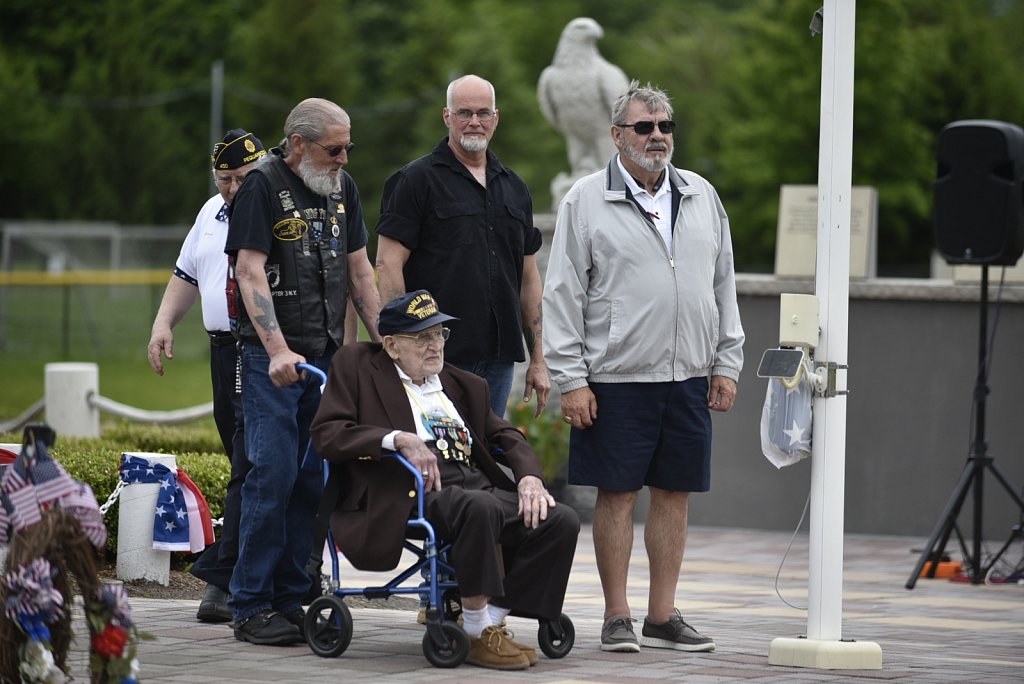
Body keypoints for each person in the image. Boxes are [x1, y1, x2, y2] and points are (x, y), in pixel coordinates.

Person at [542, 81, 744, 654]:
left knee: (675, 493)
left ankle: (661, 615)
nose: (657, 136)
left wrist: (726, 362)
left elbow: (723, 284)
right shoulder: (586, 199)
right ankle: (616, 615)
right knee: (618, 495)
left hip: (688, 375)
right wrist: (571, 379)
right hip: (616, 377)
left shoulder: (703, 195)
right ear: (617, 135)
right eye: (644, 127)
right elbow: (562, 295)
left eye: (665, 126)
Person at [309, 290, 579, 671]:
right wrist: (397, 440)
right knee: (480, 507)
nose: (435, 345)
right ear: (391, 345)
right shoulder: (358, 367)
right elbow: (328, 433)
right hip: (410, 490)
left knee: (559, 517)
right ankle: (474, 630)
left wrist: (530, 478)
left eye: (439, 334)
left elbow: (506, 435)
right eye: (422, 337)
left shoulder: (461, 383)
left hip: (471, 484)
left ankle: (491, 623)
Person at [225, 97, 381, 646]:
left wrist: (383, 346)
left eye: (347, 149)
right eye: (333, 149)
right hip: (272, 360)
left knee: (314, 477)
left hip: (327, 356)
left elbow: (361, 271)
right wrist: (275, 350)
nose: (342, 158)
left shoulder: (344, 189)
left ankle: (293, 595)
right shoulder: (260, 187)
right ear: (297, 144)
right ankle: (249, 604)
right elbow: (248, 271)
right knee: (272, 474)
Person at [375, 74, 549, 418]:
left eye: (483, 113)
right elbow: (387, 264)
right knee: (439, 457)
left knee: (487, 458)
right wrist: (401, 344)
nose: (474, 122)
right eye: (464, 112)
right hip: (434, 355)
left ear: (496, 119)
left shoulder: (515, 188)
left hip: (499, 358)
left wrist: (539, 359)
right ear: (447, 117)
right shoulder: (414, 181)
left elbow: (529, 279)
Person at [146, 128, 266, 624]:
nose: (232, 189)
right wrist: (162, 323)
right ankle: (238, 569)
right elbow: (187, 274)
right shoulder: (210, 212)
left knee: (247, 462)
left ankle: (226, 578)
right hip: (222, 350)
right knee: (239, 457)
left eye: (240, 178)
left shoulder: (272, 206)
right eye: (224, 179)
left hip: (256, 348)